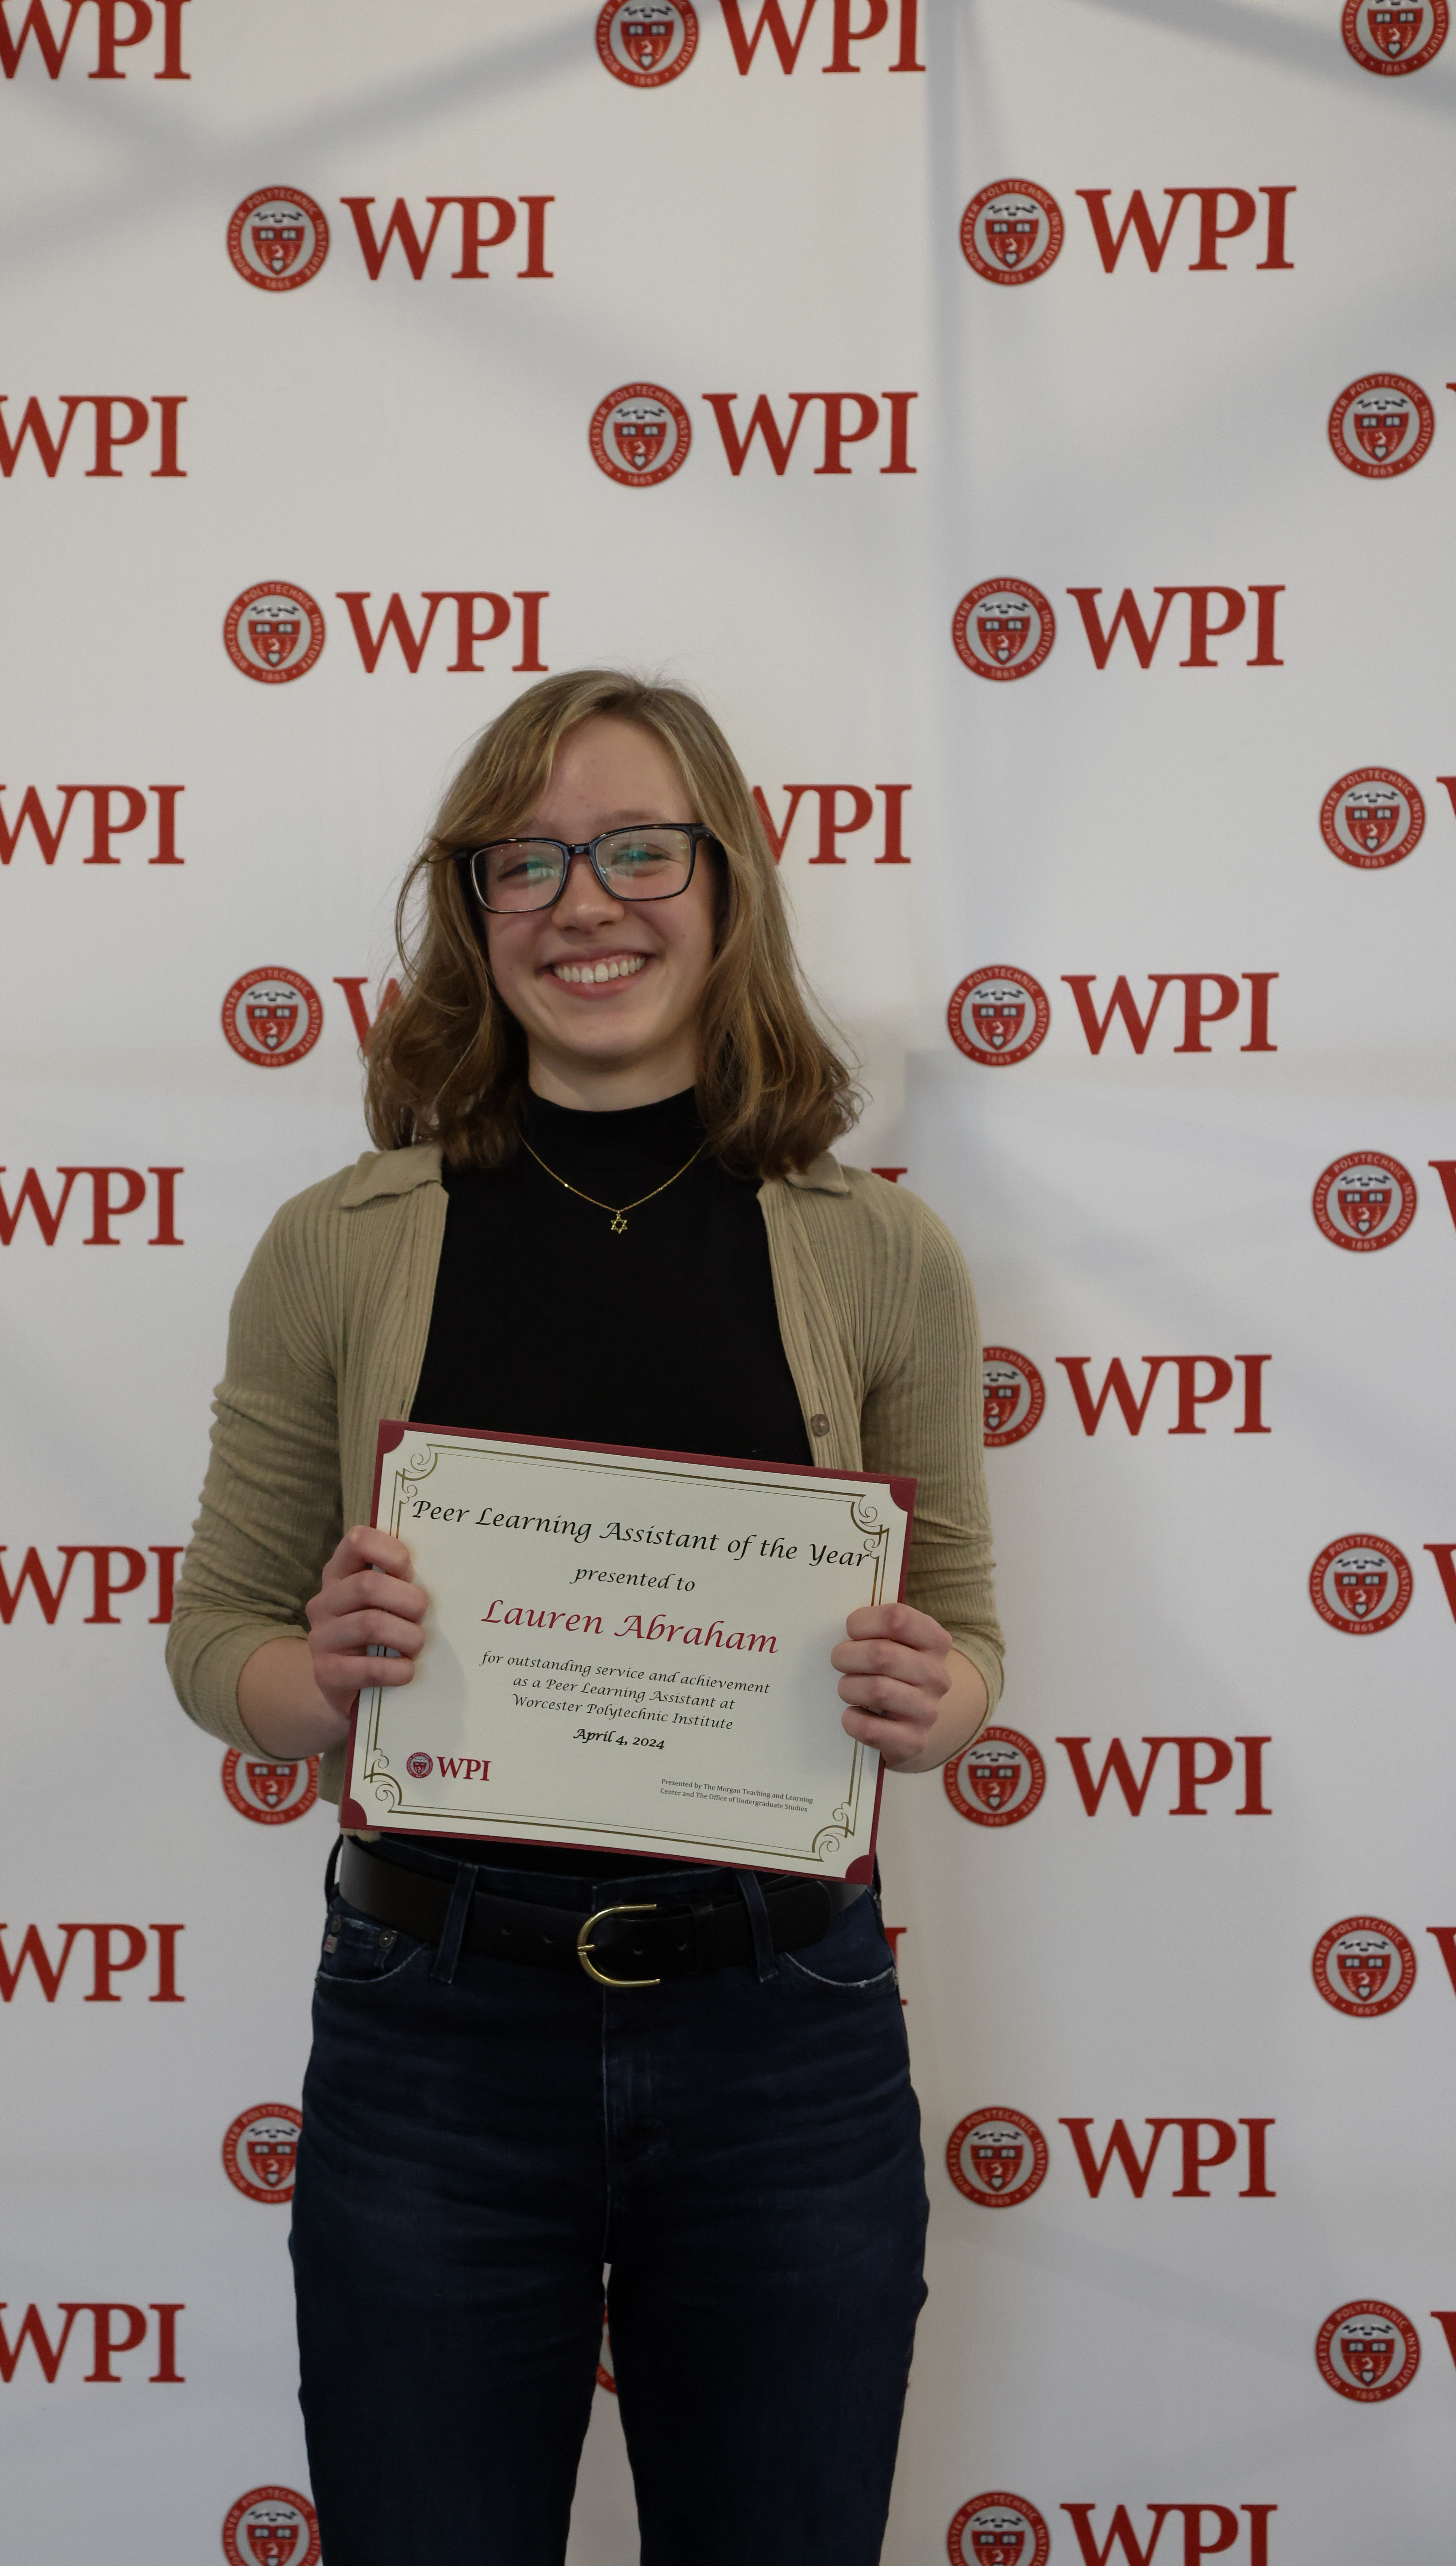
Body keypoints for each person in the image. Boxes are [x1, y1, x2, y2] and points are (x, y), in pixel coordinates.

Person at [168, 669, 1003, 2566]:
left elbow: (964, 1639)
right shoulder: (337, 1243)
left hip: (781, 2030)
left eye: (638, 848)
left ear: (726, 885)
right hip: (435, 2033)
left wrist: (924, 1688)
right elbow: (221, 1640)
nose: (583, 899)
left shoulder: (877, 1250)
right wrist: (329, 1669)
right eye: (521, 860)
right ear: (471, 912)